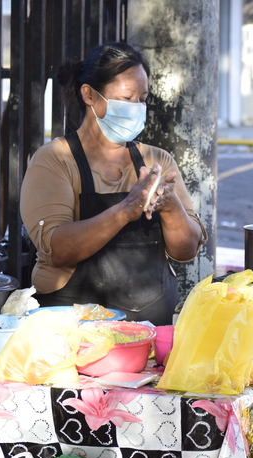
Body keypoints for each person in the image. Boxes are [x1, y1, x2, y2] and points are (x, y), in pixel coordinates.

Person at [20, 42, 206, 326]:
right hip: (73, 332)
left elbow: (186, 250)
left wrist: (171, 208)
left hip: (151, 332)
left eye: (142, 99)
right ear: (89, 95)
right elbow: (58, 249)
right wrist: (124, 211)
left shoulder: (157, 160)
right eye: (126, 98)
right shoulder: (55, 160)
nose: (137, 108)